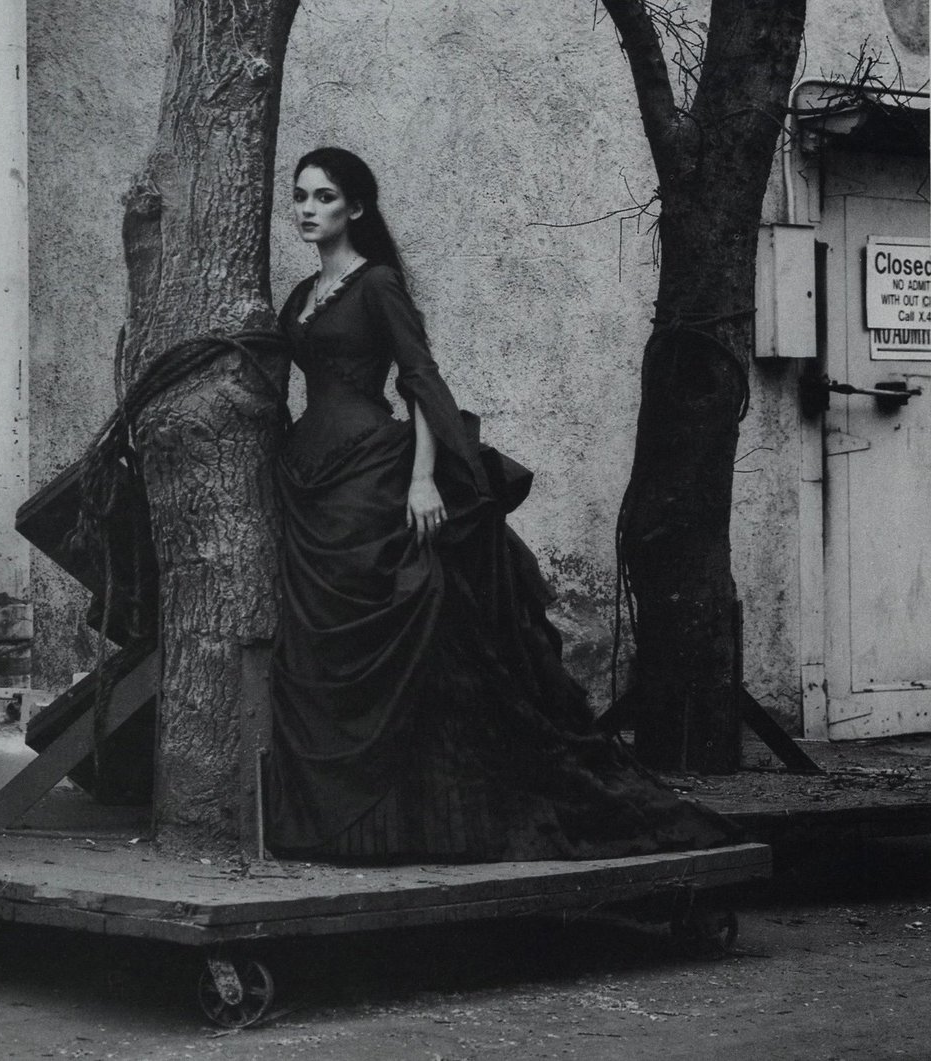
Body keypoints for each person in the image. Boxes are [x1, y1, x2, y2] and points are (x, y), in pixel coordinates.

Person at [264, 147, 736, 863]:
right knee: (317, 642)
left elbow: (422, 381)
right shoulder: (301, 295)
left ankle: (406, 816)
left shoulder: (378, 284)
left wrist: (423, 478)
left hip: (372, 475)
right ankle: (335, 812)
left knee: (413, 618)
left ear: (356, 208)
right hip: (310, 480)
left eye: (323, 196)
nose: (306, 208)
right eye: (299, 195)